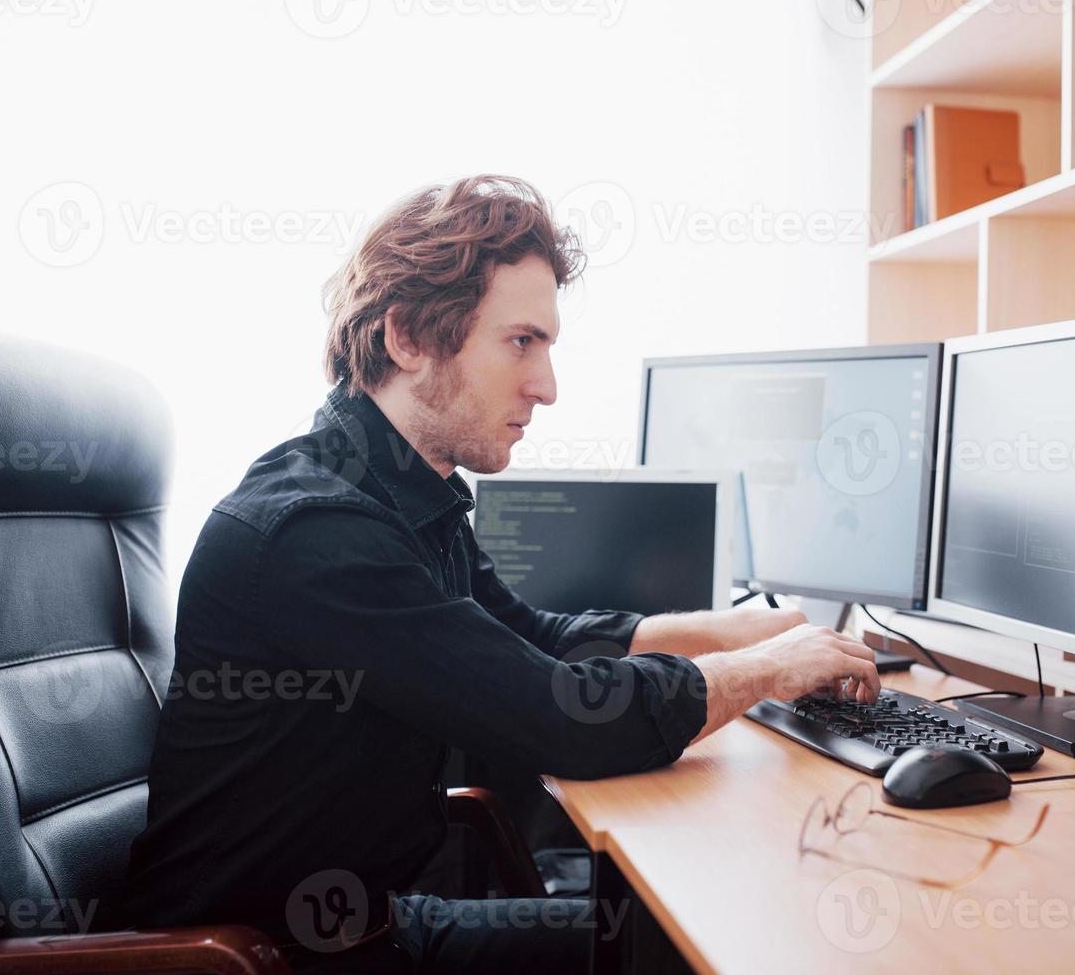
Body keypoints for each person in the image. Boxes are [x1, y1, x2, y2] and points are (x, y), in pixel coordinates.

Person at [117, 174, 879, 972]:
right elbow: (559, 720)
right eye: (522, 342)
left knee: (689, 935)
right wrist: (761, 672)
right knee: (705, 950)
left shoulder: (409, 494)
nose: (547, 386)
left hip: (363, 926)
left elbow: (529, 637)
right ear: (408, 337)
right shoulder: (320, 533)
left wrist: (726, 631)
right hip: (258, 960)